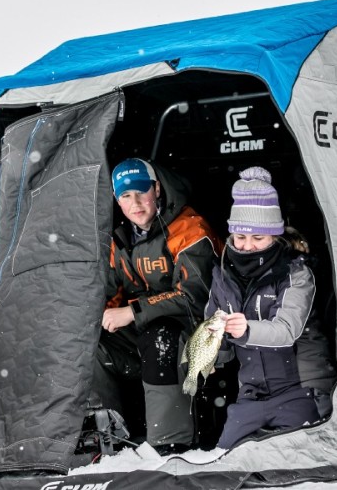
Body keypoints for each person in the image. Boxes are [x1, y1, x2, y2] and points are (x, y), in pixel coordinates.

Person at [93, 158, 221, 455]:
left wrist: (133, 311)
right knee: (93, 344)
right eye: (125, 196)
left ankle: (169, 446)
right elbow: (109, 296)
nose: (135, 202)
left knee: (159, 336)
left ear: (157, 189)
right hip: (145, 333)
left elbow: (194, 298)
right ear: (117, 200)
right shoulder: (120, 240)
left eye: (141, 191)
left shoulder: (189, 228)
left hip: (198, 334)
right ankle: (108, 439)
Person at [205, 166, 337, 449]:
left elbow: (286, 330)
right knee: (226, 460)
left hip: (302, 389)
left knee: (295, 463)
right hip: (251, 395)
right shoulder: (223, 275)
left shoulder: (297, 274)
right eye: (240, 237)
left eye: (258, 238)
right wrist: (210, 356)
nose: (248, 246)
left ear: (274, 237)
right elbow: (214, 334)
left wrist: (247, 329)